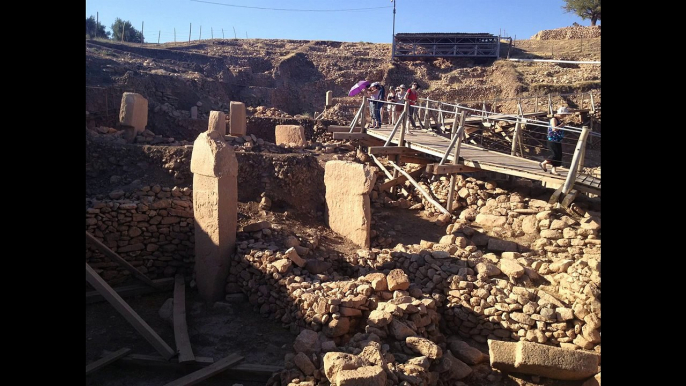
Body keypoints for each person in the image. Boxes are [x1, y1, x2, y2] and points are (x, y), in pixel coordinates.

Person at [539, 106, 571, 175]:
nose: (565, 116)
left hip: (557, 140)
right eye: (564, 114)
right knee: (555, 155)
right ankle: (543, 163)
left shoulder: (559, 120)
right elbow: (554, 129)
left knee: (559, 155)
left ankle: (553, 170)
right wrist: (561, 125)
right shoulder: (553, 119)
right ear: (561, 114)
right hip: (552, 140)